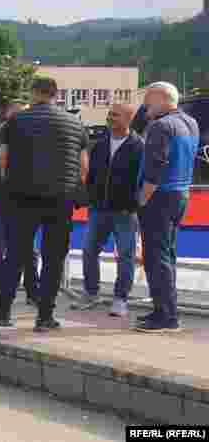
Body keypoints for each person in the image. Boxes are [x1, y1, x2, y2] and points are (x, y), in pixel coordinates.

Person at [0, 77, 89, 332]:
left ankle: (3, 312)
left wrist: (8, 183)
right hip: (61, 199)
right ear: (56, 94)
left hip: (23, 197)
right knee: (54, 257)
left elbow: (3, 159)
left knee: (16, 254)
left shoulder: (16, 121)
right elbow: (84, 167)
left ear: (34, 94)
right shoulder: (75, 123)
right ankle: (45, 317)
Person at [136, 82, 199, 333]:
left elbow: (155, 169)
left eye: (148, 100)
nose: (145, 106)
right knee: (167, 254)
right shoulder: (191, 123)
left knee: (155, 257)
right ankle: (163, 309)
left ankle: (166, 317)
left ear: (163, 99)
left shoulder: (160, 126)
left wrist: (142, 199)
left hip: (159, 198)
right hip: (180, 195)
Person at [74, 103, 144, 317]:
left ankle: (121, 299)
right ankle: (91, 293)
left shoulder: (139, 146)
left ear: (128, 119)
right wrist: (89, 200)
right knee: (88, 250)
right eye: (109, 114)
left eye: (115, 115)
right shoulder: (101, 145)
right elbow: (92, 176)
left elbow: (142, 181)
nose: (110, 118)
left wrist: (133, 206)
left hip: (125, 212)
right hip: (99, 210)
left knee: (125, 256)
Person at [0, 100, 40, 305]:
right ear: (11, 114)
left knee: (27, 249)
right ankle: (3, 290)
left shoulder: (25, 134)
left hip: (22, 199)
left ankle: (30, 290)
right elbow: (3, 164)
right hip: (6, 200)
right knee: (2, 248)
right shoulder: (2, 133)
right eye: (22, 113)